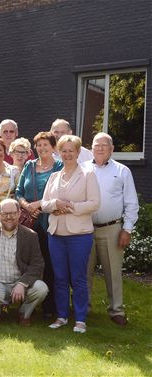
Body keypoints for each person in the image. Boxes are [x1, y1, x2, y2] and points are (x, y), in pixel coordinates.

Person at [41, 135, 100, 334]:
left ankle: (81, 319)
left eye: (71, 150)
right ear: (58, 152)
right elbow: (44, 203)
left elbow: (94, 203)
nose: (67, 154)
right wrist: (56, 205)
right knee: (59, 278)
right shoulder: (54, 176)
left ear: (78, 152)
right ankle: (62, 316)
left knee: (78, 278)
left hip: (79, 235)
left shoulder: (88, 174)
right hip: (56, 234)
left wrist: (70, 207)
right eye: (63, 150)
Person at [83, 132, 138, 326]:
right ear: (91, 148)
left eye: (104, 145)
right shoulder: (83, 169)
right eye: (96, 145)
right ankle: (84, 308)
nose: (99, 148)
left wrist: (127, 229)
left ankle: (116, 310)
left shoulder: (122, 171)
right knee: (84, 271)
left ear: (112, 149)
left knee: (113, 272)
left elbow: (132, 203)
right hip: (85, 228)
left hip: (112, 229)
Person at [15, 131, 63, 318]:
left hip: (50, 222)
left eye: (46, 145)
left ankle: (49, 307)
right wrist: (27, 206)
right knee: (27, 263)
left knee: (50, 265)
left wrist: (40, 205)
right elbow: (18, 192)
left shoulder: (59, 166)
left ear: (53, 147)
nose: (42, 148)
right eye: (39, 145)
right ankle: (26, 302)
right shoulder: (29, 165)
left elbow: (61, 193)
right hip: (29, 223)